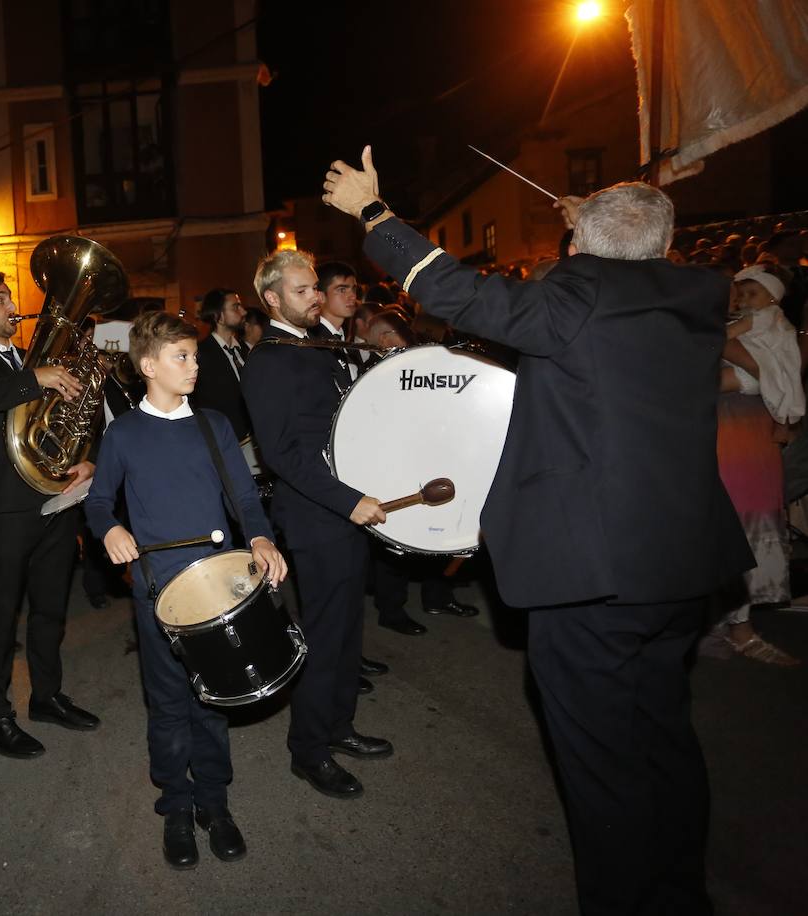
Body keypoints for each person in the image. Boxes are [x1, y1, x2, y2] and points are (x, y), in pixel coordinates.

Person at [324, 148, 752, 915]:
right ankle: (680, 893)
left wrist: (373, 214)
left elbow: (458, 291)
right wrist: (596, 228)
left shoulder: (578, 289)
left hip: (596, 572)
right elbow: (637, 258)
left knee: (600, 763)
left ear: (582, 249)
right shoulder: (697, 294)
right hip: (681, 564)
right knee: (663, 737)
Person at [87, 310, 287, 869]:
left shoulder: (214, 425)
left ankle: (214, 805)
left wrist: (264, 541)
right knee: (171, 704)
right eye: (182, 357)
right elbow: (100, 501)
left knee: (213, 703)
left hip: (217, 586)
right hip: (158, 591)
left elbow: (246, 500)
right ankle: (176, 805)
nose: (194, 365)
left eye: (196, 356)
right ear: (148, 366)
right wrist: (111, 528)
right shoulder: (123, 433)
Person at [240, 250, 394, 801]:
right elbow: (282, 454)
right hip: (316, 514)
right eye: (303, 290)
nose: (315, 297)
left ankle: (338, 726)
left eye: (314, 288)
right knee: (324, 636)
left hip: (345, 508)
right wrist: (347, 500)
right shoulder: (269, 360)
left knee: (348, 629)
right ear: (273, 299)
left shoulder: (318, 349)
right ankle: (308, 750)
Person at [0, 270, 100, 758]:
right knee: (0, 615)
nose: (11, 306)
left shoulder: (39, 358)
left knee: (51, 607)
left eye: (11, 297)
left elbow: (79, 415)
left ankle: (47, 697)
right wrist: (34, 378)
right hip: (6, 506)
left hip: (56, 496)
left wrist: (89, 456)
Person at [706, 266, 804, 664]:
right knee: (723, 530)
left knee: (749, 530)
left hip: (751, 450)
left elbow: (776, 371)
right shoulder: (713, 329)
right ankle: (722, 625)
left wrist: (759, 375)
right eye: (736, 291)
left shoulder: (774, 329)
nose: (740, 299)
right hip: (721, 446)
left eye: (747, 292)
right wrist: (759, 374)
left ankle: (739, 626)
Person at [190, 288, 252, 442]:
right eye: (236, 307)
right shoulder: (200, 354)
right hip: (225, 441)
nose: (243, 312)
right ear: (219, 316)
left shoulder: (245, 350)